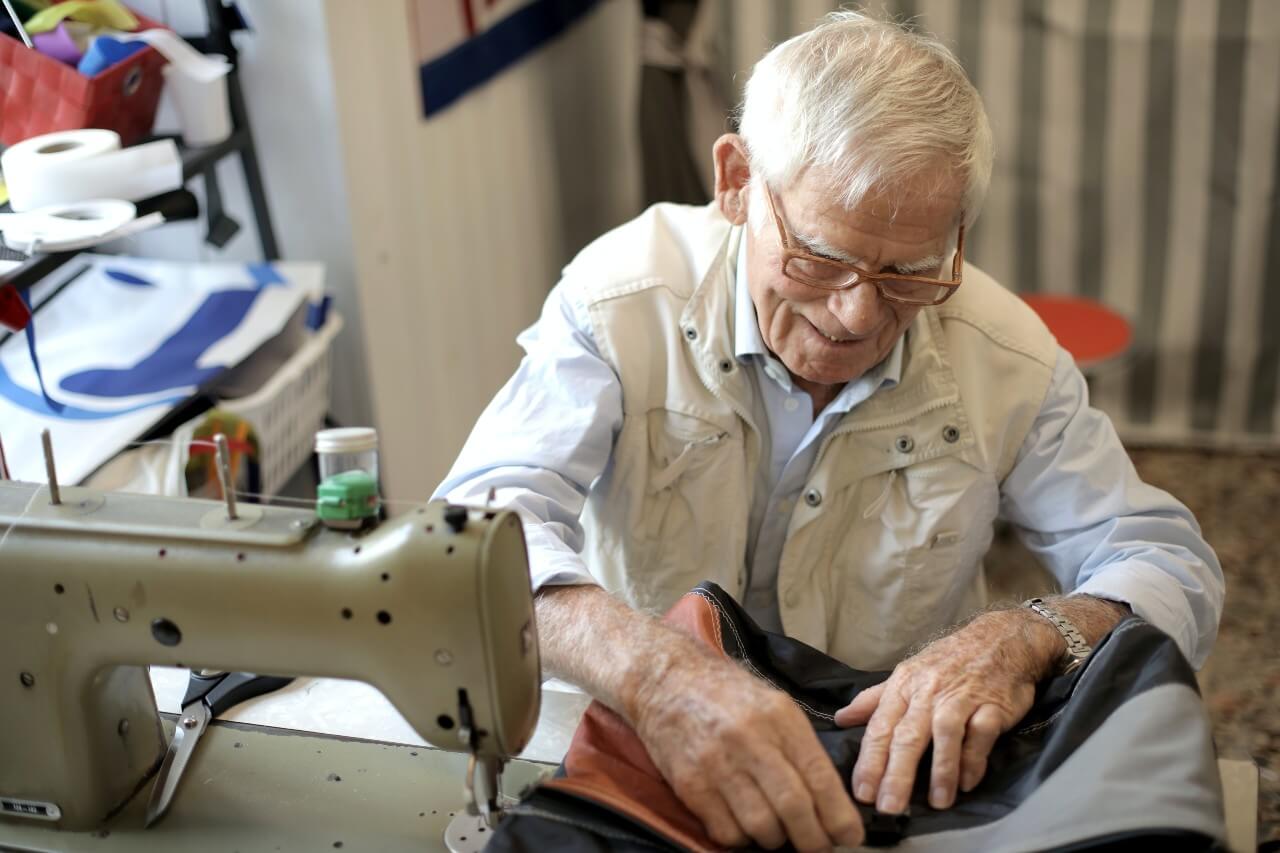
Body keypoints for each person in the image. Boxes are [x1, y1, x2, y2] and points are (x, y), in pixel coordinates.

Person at [435, 10, 1224, 852]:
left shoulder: (1009, 358)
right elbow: (473, 537)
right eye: (818, 259)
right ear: (737, 181)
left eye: (909, 272)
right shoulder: (621, 302)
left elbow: (1167, 561)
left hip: (888, 783)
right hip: (645, 745)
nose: (855, 314)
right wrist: (655, 669)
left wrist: (1024, 634)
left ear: (956, 232)